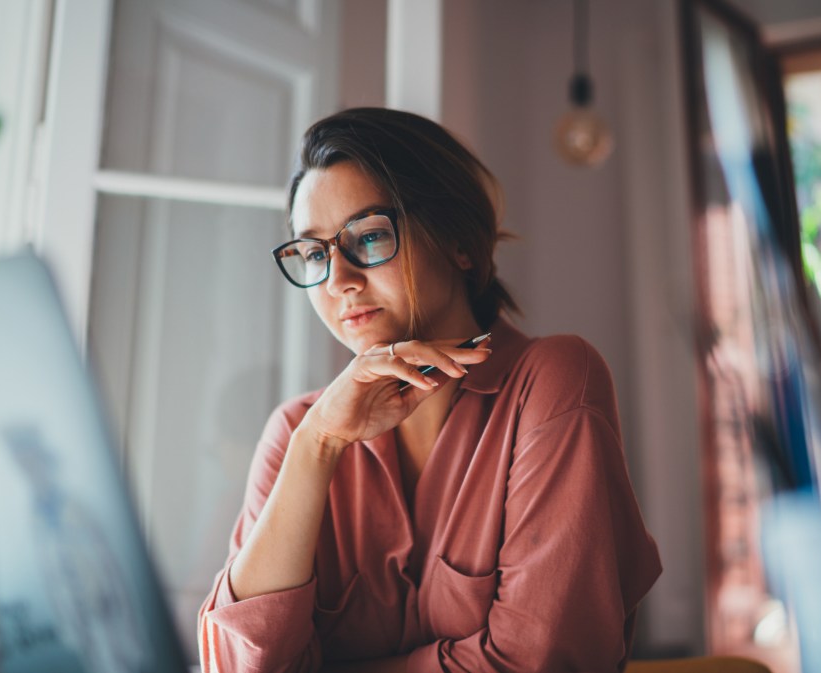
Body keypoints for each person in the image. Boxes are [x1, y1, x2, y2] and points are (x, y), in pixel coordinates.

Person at [198, 108, 661, 673]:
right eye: (316, 253)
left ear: (460, 243)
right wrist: (316, 445)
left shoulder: (552, 382)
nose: (339, 280)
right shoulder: (299, 431)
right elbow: (237, 665)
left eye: (368, 237)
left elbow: (541, 662)